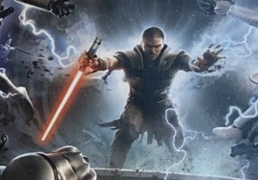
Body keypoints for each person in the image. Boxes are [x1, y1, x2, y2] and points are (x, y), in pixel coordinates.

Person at [82, 25, 221, 169]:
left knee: (176, 138)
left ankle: (189, 169)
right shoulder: (131, 57)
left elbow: (192, 64)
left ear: (162, 44)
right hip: (137, 104)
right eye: (148, 46)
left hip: (162, 104)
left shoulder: (174, 58)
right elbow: (112, 61)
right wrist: (97, 63)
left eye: (157, 46)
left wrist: (204, 64)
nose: (152, 51)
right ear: (142, 43)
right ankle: (114, 171)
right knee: (127, 133)